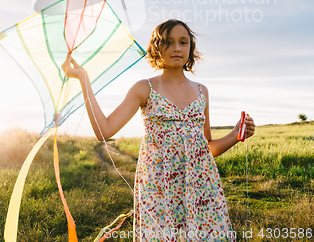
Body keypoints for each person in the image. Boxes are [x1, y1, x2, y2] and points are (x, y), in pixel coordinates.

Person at [62, 19, 256, 242]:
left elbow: (206, 148)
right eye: (168, 42)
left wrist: (235, 134)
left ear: (190, 48)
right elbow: (103, 130)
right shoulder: (145, 88)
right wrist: (83, 78)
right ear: (156, 47)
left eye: (183, 42)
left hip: (201, 186)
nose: (176, 48)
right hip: (159, 187)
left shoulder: (202, 91)